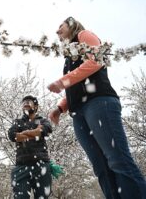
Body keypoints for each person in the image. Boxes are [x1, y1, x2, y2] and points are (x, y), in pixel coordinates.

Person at [47, 17, 146, 199]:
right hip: (78, 112)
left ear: (72, 25)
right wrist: (60, 108)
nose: (56, 30)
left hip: (98, 102)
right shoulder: (70, 55)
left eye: (60, 25)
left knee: (117, 160)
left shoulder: (84, 35)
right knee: (101, 167)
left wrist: (62, 81)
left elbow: (96, 62)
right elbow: (75, 86)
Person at [8, 95, 52, 199]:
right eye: (23, 103)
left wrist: (23, 134)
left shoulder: (43, 120)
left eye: (29, 101)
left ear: (36, 107)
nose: (26, 103)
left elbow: (45, 130)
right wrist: (34, 133)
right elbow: (12, 135)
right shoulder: (17, 122)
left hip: (41, 165)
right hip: (21, 166)